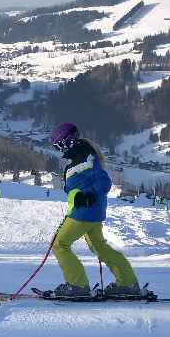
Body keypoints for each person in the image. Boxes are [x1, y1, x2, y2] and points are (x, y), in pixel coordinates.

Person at [48, 122, 142, 299]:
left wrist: (87, 196)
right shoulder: (81, 156)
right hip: (92, 213)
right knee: (99, 246)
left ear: (68, 141)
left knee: (59, 245)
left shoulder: (86, 157)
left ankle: (77, 285)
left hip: (82, 213)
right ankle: (127, 283)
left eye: (58, 144)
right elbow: (78, 185)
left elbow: (105, 182)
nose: (58, 149)